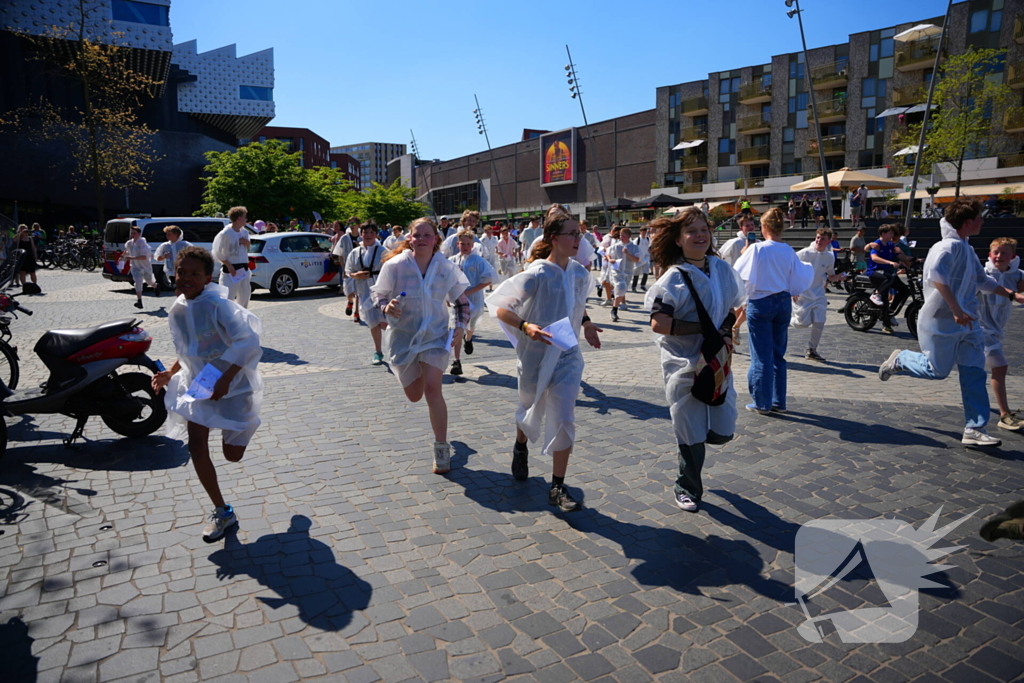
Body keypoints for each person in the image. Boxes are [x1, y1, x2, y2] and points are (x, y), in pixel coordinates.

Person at [878, 198, 1024, 447]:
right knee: (937, 371)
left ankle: (974, 429)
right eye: (980, 217)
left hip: (968, 322)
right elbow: (938, 279)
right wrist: (956, 310)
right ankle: (901, 359)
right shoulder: (945, 247)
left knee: (974, 372)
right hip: (941, 321)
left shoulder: (967, 248)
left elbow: (983, 281)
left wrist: (1012, 295)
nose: (982, 221)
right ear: (969, 222)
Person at [487, 204, 602, 512]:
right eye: (571, 235)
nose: (578, 240)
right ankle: (520, 446)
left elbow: (576, 304)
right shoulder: (535, 274)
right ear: (553, 238)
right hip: (535, 356)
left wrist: (587, 323)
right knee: (528, 407)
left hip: (567, 355)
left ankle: (557, 486)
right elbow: (501, 308)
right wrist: (525, 325)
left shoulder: (579, 273)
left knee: (564, 418)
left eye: (579, 234)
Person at [151, 246, 263, 542]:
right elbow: (188, 348)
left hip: (234, 384)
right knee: (196, 445)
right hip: (200, 381)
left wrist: (226, 378)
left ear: (208, 277)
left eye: (194, 273)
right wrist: (171, 373)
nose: (186, 278)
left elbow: (249, 341)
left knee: (232, 455)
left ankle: (247, 427)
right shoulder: (179, 306)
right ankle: (222, 511)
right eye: (181, 272)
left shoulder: (218, 306)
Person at [645, 207, 744, 513]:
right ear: (678, 239)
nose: (700, 236)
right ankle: (686, 487)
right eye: (691, 231)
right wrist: (704, 328)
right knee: (691, 431)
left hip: (715, 361)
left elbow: (732, 308)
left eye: (704, 229)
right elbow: (659, 323)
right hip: (683, 362)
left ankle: (699, 448)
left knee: (723, 430)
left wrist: (725, 333)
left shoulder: (721, 268)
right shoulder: (673, 278)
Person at [371, 217, 471, 474]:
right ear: (410, 238)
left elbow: (461, 302)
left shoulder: (444, 268)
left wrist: (459, 327)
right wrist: (386, 306)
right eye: (417, 235)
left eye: (428, 235)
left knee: (432, 388)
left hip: (435, 336)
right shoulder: (395, 266)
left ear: (436, 238)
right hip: (403, 336)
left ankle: (441, 447)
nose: (422, 239)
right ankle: (448, 444)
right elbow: (379, 295)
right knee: (414, 395)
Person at [733, 207, 814, 414]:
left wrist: (744, 252)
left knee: (761, 355)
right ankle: (779, 401)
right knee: (778, 354)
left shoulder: (757, 249)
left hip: (761, 301)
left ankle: (762, 402)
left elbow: (738, 274)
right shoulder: (787, 249)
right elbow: (799, 276)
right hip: (783, 301)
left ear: (764, 227)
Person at [978, 237, 1024, 431]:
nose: (999, 256)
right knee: (1000, 367)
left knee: (942, 368)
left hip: (997, 330)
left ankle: (902, 361)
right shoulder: (983, 273)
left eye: (1004, 253)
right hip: (979, 328)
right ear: (989, 254)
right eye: (996, 252)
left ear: (1012, 256)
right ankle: (1004, 414)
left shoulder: (1018, 274)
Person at [449, 230, 498, 376]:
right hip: (458, 302)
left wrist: (471, 291)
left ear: (472, 245)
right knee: (457, 328)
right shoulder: (452, 260)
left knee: (470, 327)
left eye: (468, 244)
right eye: (462, 244)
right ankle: (456, 361)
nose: (465, 246)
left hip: (474, 301)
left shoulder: (478, 261)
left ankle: (468, 338)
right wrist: (447, 297)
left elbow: (489, 279)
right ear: (458, 244)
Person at [792, 229, 845, 362]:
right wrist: (794, 289)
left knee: (820, 321)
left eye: (822, 239)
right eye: (817, 238)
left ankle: (812, 350)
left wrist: (839, 277)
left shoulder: (829, 257)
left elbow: (830, 275)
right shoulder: (804, 253)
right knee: (802, 324)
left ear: (828, 241)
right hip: (803, 293)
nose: (819, 241)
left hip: (818, 293)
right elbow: (791, 269)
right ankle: (786, 320)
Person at [346, 223, 388, 365]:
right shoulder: (355, 252)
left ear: (376, 234)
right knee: (373, 324)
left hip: (382, 291)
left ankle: (397, 348)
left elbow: (392, 271)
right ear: (361, 234)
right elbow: (348, 271)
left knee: (385, 323)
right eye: (365, 232)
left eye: (371, 232)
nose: (368, 235)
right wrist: (356, 275)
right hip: (364, 292)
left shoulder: (384, 251)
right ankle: (378, 351)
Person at [864, 225, 911, 334]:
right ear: (884, 234)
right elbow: (874, 258)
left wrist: (914, 260)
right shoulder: (877, 244)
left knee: (905, 290)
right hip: (874, 272)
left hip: (887, 273)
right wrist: (890, 262)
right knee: (885, 295)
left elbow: (900, 256)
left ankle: (891, 311)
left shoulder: (890, 245)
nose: (892, 235)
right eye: (890, 233)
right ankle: (877, 295)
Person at [211, 206, 252, 309]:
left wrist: (247, 243)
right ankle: (226, 319)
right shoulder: (225, 233)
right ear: (239, 218)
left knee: (245, 296)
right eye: (244, 217)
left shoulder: (245, 232)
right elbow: (216, 251)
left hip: (243, 269)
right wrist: (228, 265)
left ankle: (241, 318)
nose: (246, 219)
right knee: (227, 297)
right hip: (231, 269)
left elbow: (248, 247)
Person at [606, 227, 641, 322]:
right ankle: (614, 311)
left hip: (628, 272)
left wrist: (628, 253)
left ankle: (614, 307)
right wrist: (610, 260)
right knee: (620, 287)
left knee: (622, 290)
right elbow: (608, 253)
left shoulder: (634, 247)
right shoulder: (616, 246)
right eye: (620, 235)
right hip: (617, 271)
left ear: (629, 236)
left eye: (623, 236)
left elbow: (637, 259)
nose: (621, 237)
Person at [124, 225, 157, 308]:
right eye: (131, 233)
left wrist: (131, 257)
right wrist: (121, 258)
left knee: (149, 282)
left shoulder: (143, 244)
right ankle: (139, 301)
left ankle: (156, 286)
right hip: (135, 266)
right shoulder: (129, 243)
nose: (132, 235)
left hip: (145, 266)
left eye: (134, 233)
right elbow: (126, 251)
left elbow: (144, 257)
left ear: (139, 234)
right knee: (138, 281)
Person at [154, 225, 194, 292]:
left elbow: (194, 255)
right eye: (166, 234)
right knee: (176, 288)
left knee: (183, 288)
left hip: (184, 271)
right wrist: (164, 257)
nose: (167, 236)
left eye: (169, 234)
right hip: (171, 272)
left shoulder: (185, 244)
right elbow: (157, 257)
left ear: (176, 235)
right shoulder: (165, 245)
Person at [332, 217, 357, 318]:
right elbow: (340, 254)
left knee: (360, 292)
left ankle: (357, 313)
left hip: (361, 269)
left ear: (358, 225)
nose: (352, 225)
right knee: (349, 292)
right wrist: (343, 268)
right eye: (350, 223)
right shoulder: (345, 238)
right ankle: (350, 302)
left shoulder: (363, 237)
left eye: (354, 223)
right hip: (348, 268)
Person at [15, 225, 39, 289]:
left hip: (29, 256)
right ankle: (24, 286)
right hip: (21, 256)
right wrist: (20, 233)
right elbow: (13, 240)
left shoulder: (30, 238)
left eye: (26, 230)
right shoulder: (19, 238)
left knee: (32, 272)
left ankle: (35, 285)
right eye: (23, 229)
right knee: (22, 272)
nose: (25, 231)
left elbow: (33, 247)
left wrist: (35, 255)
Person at [631, 226, 651, 292]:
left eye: (645, 232)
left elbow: (649, 247)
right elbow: (633, 247)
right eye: (643, 232)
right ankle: (634, 286)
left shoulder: (647, 239)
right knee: (636, 273)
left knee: (646, 272)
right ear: (640, 232)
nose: (644, 233)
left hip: (646, 258)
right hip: (638, 259)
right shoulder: (637, 240)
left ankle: (643, 285)